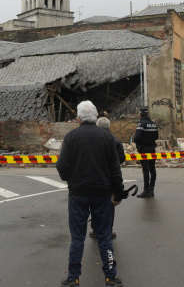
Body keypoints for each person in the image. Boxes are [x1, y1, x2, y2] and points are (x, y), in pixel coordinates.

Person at [56, 101, 125, 287]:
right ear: (95, 117)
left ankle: (73, 278)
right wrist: (117, 193)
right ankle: (110, 277)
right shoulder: (107, 138)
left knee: (77, 237)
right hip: (102, 193)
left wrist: (70, 179)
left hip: (78, 194)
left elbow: (62, 166)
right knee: (104, 235)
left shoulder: (71, 137)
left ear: (78, 118)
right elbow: (115, 169)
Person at [89, 116, 123, 240]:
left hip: (96, 176)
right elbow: (121, 159)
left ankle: (95, 229)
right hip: (110, 178)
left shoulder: (93, 140)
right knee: (109, 204)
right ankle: (108, 229)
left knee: (95, 203)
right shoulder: (115, 140)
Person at [133, 107, 158, 198]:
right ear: (148, 114)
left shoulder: (141, 124)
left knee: (145, 170)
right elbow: (156, 137)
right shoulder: (153, 124)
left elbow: (137, 138)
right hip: (152, 149)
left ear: (140, 115)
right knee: (152, 169)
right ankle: (151, 190)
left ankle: (146, 190)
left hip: (144, 149)